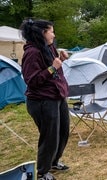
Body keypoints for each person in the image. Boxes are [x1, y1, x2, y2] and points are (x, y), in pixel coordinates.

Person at [20, 18, 70, 180]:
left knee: (63, 132)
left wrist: (60, 61)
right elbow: (32, 81)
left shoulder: (48, 48)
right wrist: (53, 67)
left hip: (57, 96)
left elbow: (54, 71)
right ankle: (42, 172)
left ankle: (54, 161)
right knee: (49, 136)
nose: (54, 35)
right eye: (51, 31)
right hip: (42, 101)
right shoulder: (32, 52)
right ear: (43, 33)